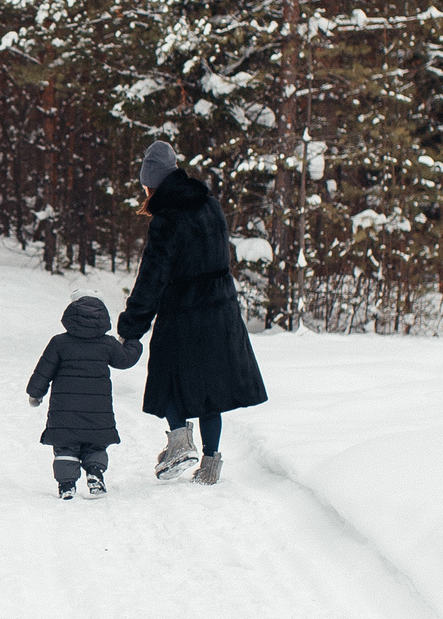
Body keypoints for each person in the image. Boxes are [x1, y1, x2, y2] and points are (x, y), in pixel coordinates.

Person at [118, 140, 268, 485]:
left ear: (152, 182)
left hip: (183, 311)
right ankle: (211, 463)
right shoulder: (210, 205)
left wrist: (132, 325)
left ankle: (179, 443)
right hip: (220, 309)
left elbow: (152, 277)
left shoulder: (167, 218)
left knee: (168, 379)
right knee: (210, 388)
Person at [25, 294, 144, 499]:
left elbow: (44, 370)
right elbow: (126, 360)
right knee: (95, 442)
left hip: (64, 409)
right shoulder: (107, 344)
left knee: (65, 444)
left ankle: (66, 485)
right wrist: (131, 341)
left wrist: (35, 393)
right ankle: (95, 474)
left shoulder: (59, 342)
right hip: (97, 409)